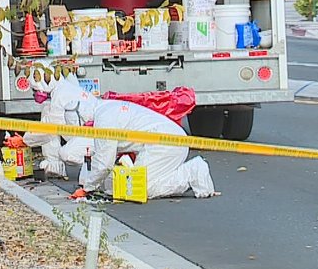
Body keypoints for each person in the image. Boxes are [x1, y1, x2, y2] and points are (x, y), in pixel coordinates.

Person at [41, 76, 215, 199]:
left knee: (141, 188)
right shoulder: (105, 107)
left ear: (82, 119)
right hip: (166, 140)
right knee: (134, 184)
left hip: (165, 144)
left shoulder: (104, 120)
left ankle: (193, 171)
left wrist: (87, 189)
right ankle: (190, 174)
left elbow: (104, 161)